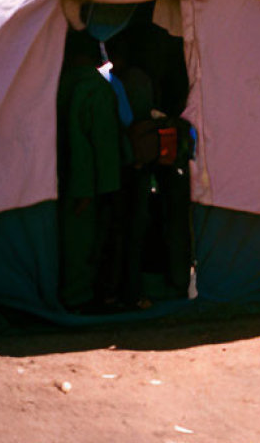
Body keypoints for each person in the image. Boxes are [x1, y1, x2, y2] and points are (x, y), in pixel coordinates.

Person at [56, 29, 122, 311]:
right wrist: (105, 188)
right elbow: (100, 143)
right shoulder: (95, 88)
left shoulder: (56, 83)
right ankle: (80, 298)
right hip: (85, 183)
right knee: (83, 242)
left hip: (55, 177)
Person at [104, 30, 157, 309]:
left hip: (120, 161)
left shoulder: (112, 81)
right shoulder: (139, 80)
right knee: (134, 228)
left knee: (118, 228)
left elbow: (123, 118)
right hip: (138, 159)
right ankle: (132, 291)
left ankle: (115, 291)